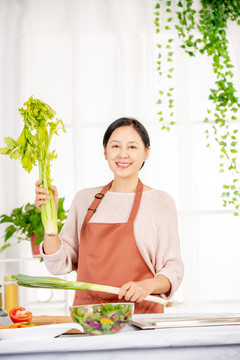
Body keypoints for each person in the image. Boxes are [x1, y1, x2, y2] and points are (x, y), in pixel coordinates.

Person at [35, 117, 184, 314]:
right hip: (90, 317)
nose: (123, 154)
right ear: (105, 151)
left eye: (132, 147)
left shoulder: (161, 202)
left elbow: (173, 267)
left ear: (146, 153)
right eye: (115, 146)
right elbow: (59, 265)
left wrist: (147, 286)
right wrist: (50, 220)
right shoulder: (84, 199)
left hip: (142, 318)